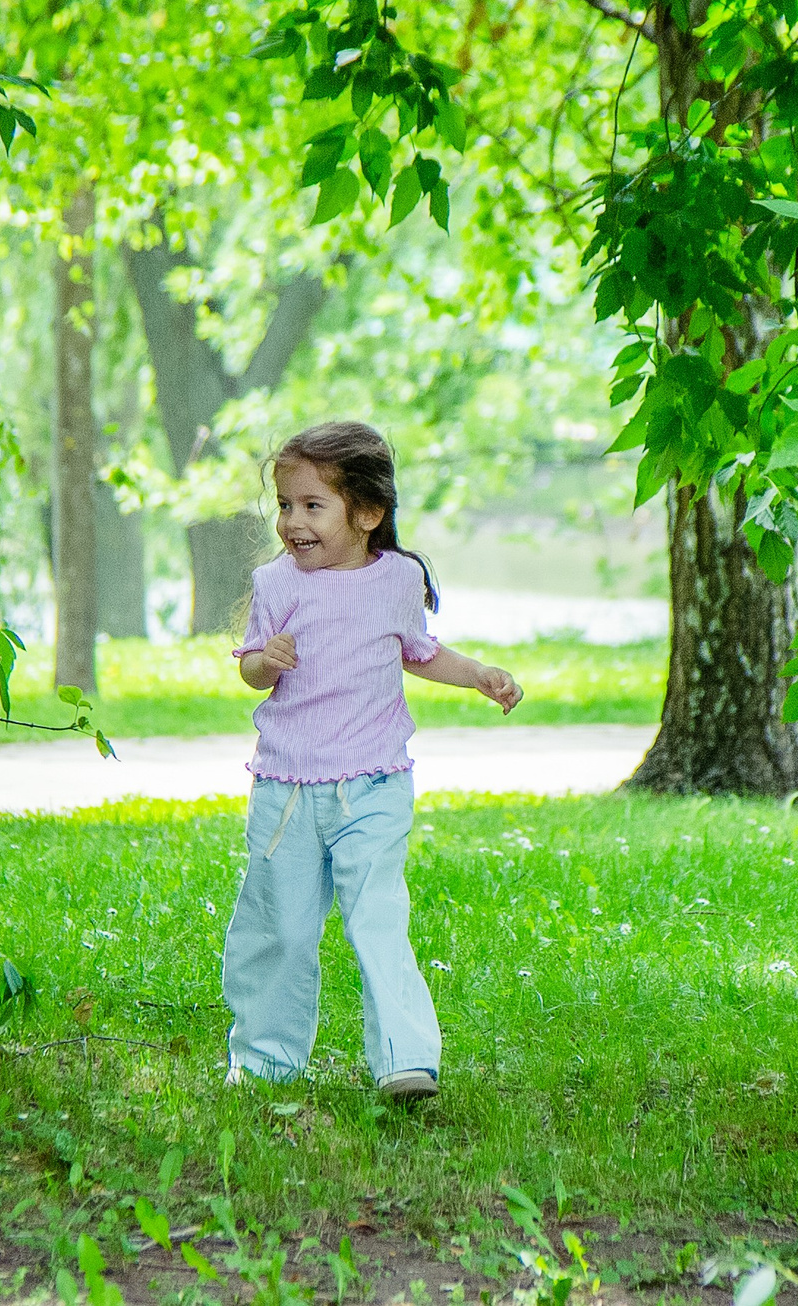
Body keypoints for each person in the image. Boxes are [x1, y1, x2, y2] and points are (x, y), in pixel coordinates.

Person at [222, 421, 522, 1105]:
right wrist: (265, 662)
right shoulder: (275, 583)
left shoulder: (399, 578)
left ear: (367, 513)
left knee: (376, 914)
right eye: (284, 505)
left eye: (311, 506)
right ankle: (265, 1061)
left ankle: (404, 1058)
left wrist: (477, 673)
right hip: (288, 791)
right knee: (281, 925)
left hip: (376, 785)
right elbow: (250, 668)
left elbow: (418, 649)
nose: (292, 522)